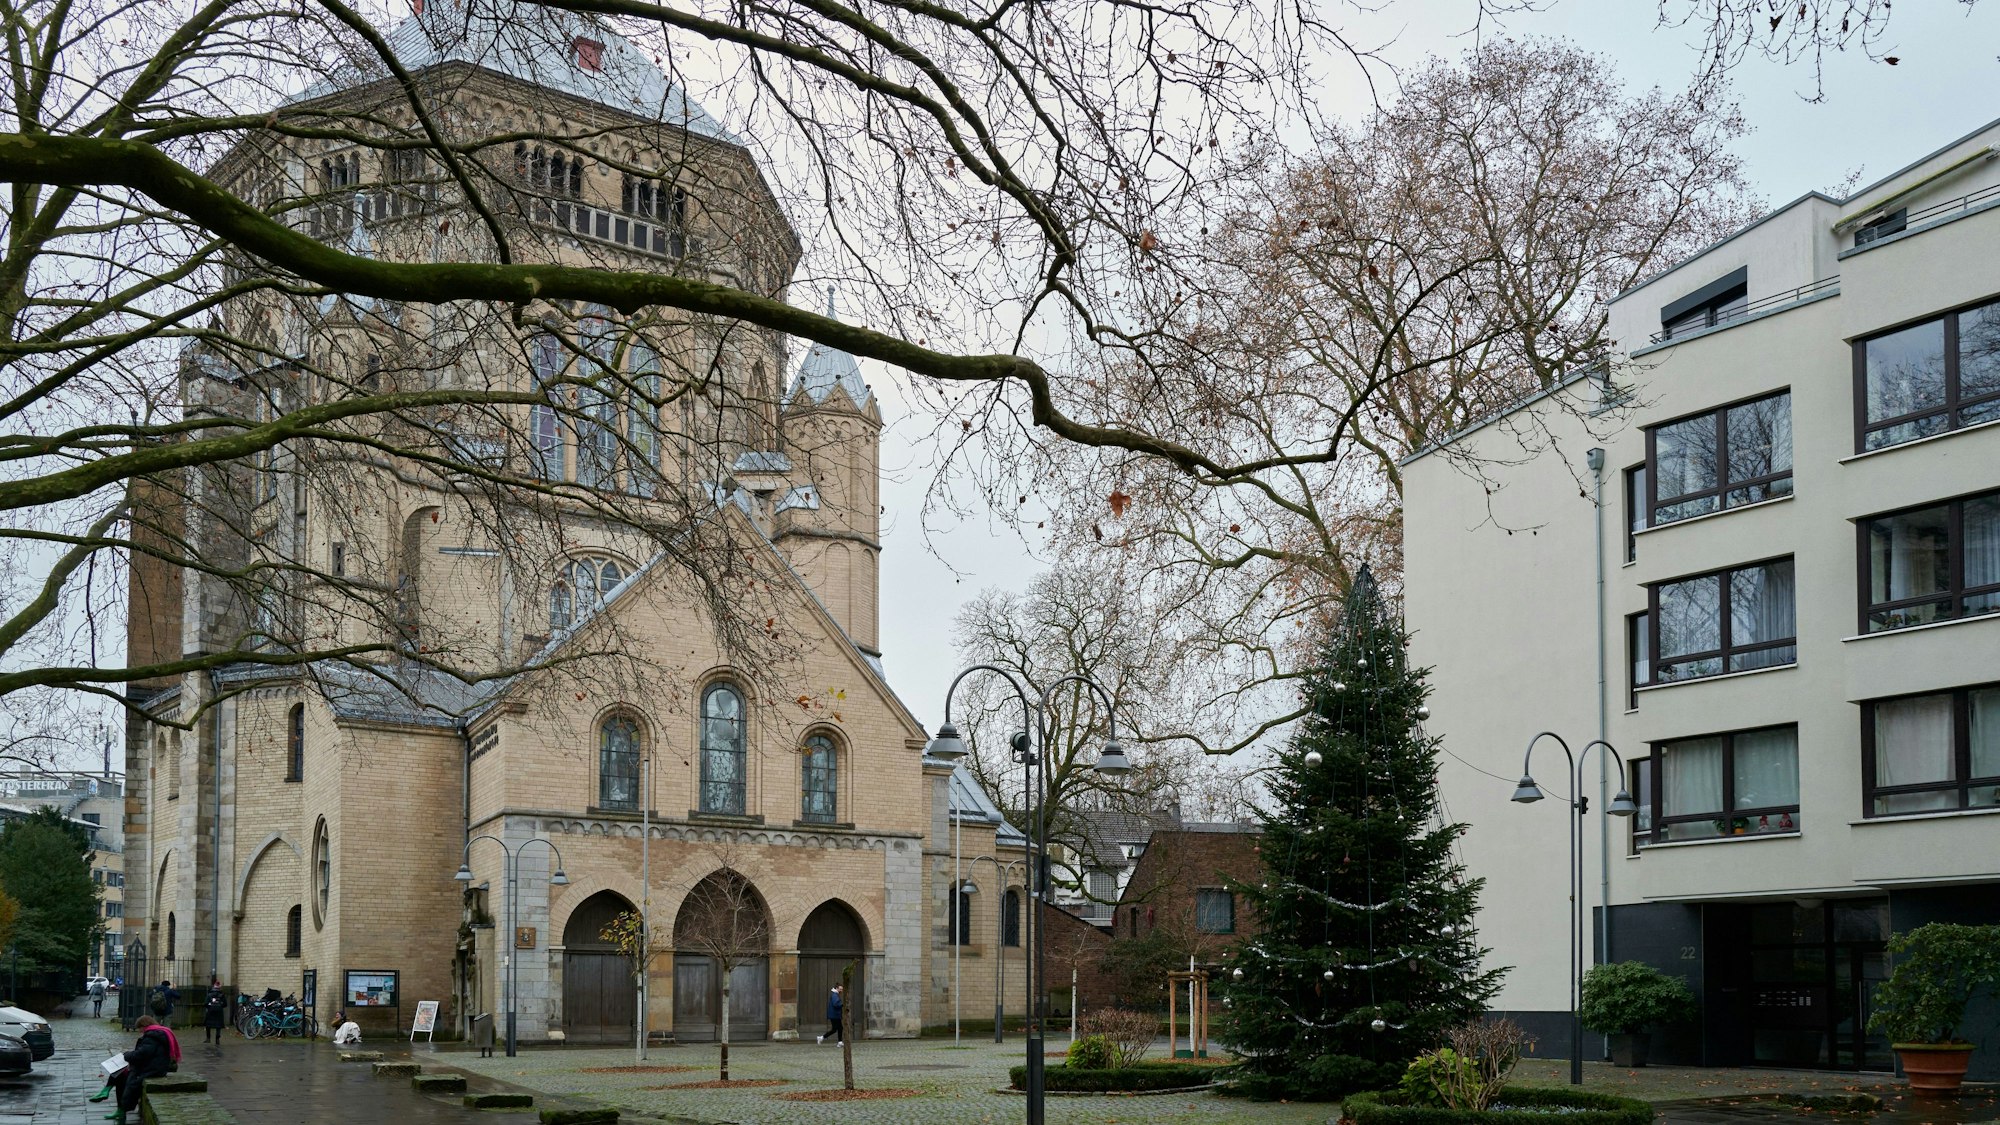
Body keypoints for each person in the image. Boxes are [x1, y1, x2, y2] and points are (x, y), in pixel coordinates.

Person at [88, 1016, 178, 1123]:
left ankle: (117, 1104)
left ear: (144, 1026)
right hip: (153, 1066)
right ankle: (109, 1096)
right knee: (121, 1072)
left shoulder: (152, 1037)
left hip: (152, 1069)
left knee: (124, 1076)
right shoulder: (157, 1033)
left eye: (139, 1028)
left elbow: (142, 1054)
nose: (140, 1031)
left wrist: (126, 1056)